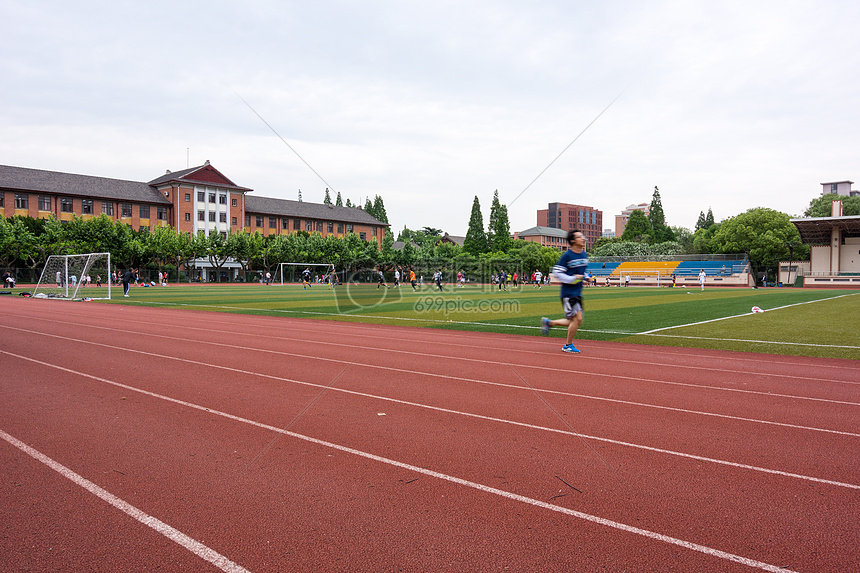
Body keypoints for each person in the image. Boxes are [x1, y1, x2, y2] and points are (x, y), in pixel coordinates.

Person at [541, 229, 588, 354]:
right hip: (568, 294)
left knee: (577, 321)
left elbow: (581, 271)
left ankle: (549, 323)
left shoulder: (584, 255)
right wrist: (572, 279)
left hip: (577, 293)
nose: (583, 238)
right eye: (580, 237)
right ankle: (568, 345)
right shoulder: (567, 256)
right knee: (577, 319)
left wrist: (586, 276)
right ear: (573, 240)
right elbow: (557, 272)